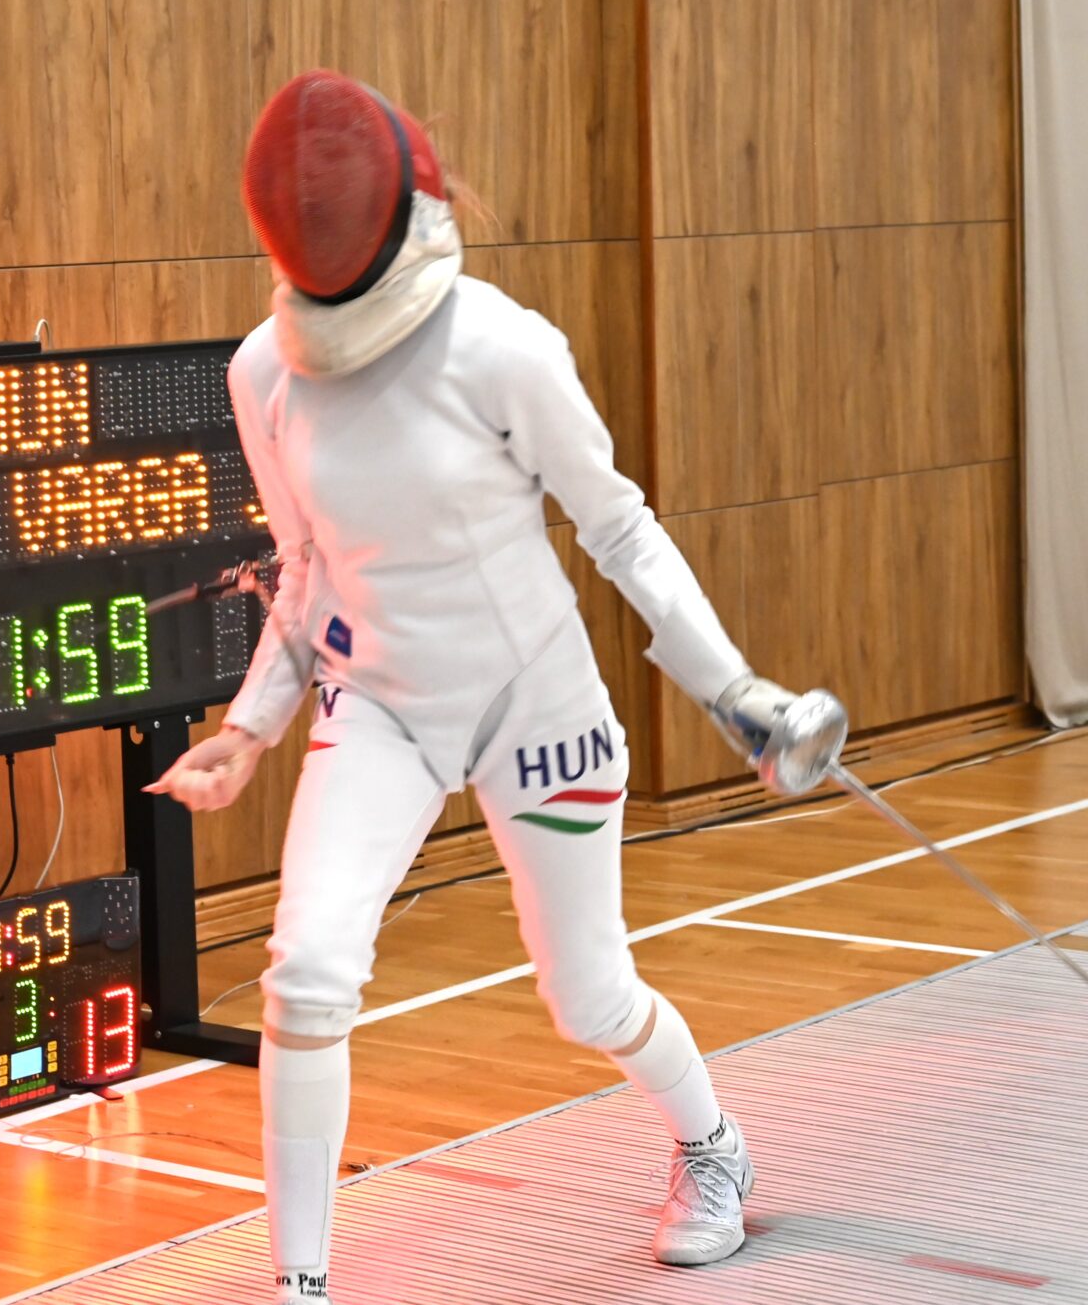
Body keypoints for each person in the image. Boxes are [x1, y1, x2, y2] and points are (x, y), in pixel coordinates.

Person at [150, 71, 846, 1304]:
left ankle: (711, 1143)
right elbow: (303, 567)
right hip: (380, 703)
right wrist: (249, 728)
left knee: (587, 993)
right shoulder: (264, 373)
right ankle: (299, 1285)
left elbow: (618, 527)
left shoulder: (503, 347)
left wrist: (735, 691)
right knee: (305, 970)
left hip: (533, 702)